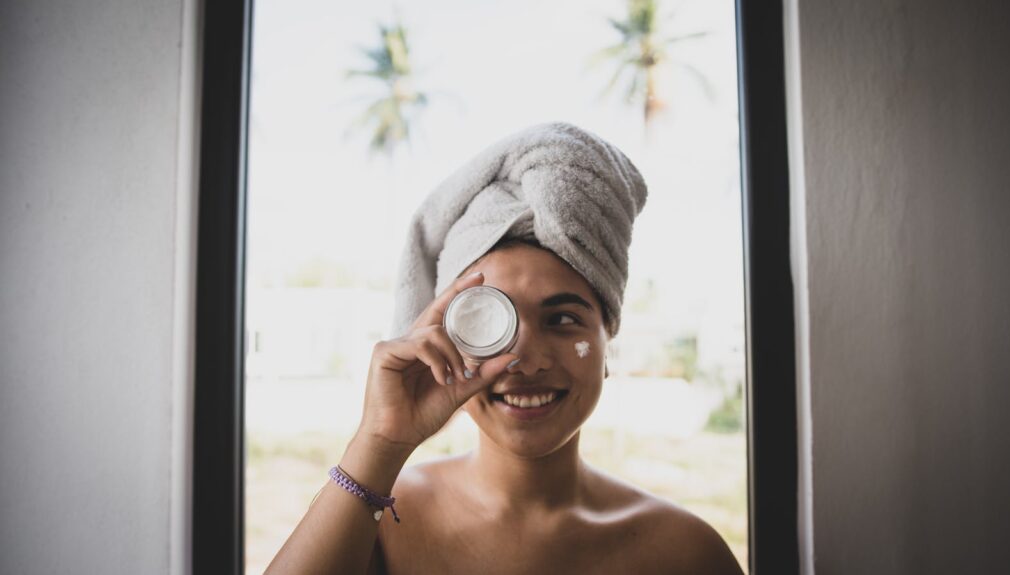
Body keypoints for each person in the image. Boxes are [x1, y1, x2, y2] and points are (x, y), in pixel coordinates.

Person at [265, 123, 744, 574]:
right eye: (490, 323)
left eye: (562, 320)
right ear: (447, 337)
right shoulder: (374, 523)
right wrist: (380, 443)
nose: (526, 359)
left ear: (607, 342)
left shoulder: (684, 552)